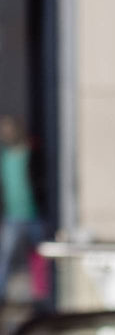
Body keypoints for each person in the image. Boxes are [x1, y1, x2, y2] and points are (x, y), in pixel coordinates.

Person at [0, 115, 44, 306]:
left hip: (34, 214)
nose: (6, 133)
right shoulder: (3, 156)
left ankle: (41, 296)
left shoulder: (30, 153)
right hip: (12, 217)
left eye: (9, 129)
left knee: (40, 257)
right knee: (5, 258)